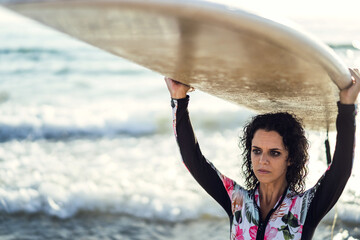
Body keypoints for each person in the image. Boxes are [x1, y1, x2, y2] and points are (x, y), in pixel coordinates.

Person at [164, 68, 360, 240]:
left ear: (290, 158)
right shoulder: (236, 200)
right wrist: (179, 99)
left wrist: (347, 106)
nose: (262, 160)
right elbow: (193, 159)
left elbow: (340, 169)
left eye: (274, 153)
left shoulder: (305, 208)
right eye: (256, 151)